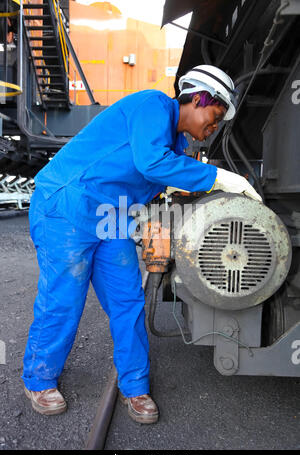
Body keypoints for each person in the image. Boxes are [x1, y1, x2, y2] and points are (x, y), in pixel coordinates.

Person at [22, 65, 262, 423]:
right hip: (67, 205)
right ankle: (39, 378)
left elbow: (150, 183)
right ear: (197, 98)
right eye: (214, 117)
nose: (213, 128)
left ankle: (135, 386)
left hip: (111, 216)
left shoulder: (175, 144)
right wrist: (219, 177)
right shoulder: (153, 106)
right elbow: (151, 164)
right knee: (64, 297)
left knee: (127, 300)